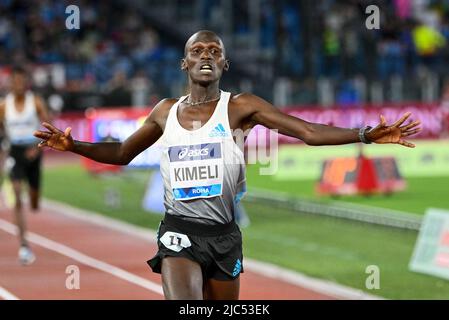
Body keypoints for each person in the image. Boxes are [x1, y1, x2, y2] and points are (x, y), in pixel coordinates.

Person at [34, 30, 421, 299]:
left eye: (214, 51)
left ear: (225, 63)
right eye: (198, 50)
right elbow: (120, 153)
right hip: (179, 233)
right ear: (184, 63)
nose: (206, 55)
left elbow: (306, 131)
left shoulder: (240, 107)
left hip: (224, 235)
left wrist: (365, 135)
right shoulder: (163, 112)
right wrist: (73, 145)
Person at [0, 66, 50, 265]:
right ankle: (23, 244)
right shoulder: (4, 106)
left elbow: (49, 128)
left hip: (33, 151)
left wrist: (37, 149)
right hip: (15, 152)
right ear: (10, 83)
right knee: (17, 192)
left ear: (26, 83)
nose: (18, 85)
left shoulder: (35, 102)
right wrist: (5, 148)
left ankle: (34, 197)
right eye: (15, 81)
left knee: (34, 200)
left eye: (22, 81)